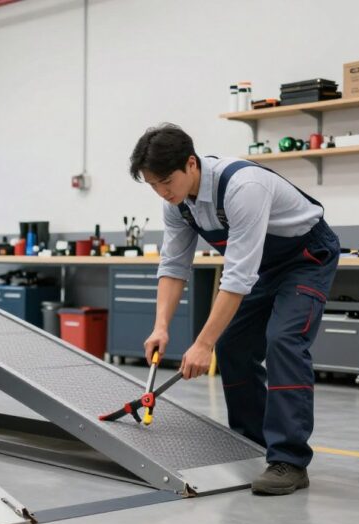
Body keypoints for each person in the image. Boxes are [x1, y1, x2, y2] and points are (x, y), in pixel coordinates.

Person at [129, 123, 340, 495]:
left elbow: (238, 275)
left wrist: (202, 343)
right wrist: (161, 326)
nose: (162, 192)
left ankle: (289, 460)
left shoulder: (243, 187)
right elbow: (175, 266)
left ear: (190, 164)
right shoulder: (177, 205)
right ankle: (251, 443)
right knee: (233, 347)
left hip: (306, 257)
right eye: (152, 186)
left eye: (165, 182)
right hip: (263, 267)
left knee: (284, 340)